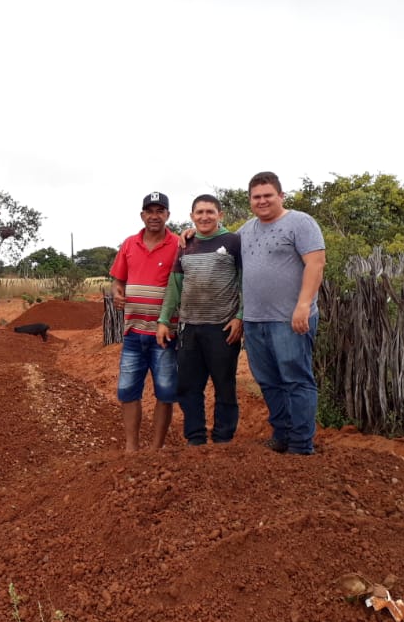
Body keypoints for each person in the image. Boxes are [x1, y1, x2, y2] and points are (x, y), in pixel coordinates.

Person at [237, 171, 326, 455]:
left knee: (296, 379)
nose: (262, 201)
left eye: (268, 195)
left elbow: (315, 264)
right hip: (254, 320)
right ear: (250, 200)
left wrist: (303, 305)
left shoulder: (300, 222)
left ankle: (301, 443)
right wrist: (189, 235)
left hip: (290, 320)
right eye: (256, 197)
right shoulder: (245, 230)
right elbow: (217, 242)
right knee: (268, 381)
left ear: (281, 196)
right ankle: (282, 435)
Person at [156, 194, 243, 445]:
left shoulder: (233, 241)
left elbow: (244, 282)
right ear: (192, 216)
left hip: (222, 328)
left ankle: (223, 438)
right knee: (189, 387)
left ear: (220, 215)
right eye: (200, 212)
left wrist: (240, 316)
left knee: (224, 385)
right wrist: (164, 320)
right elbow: (175, 285)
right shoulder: (185, 245)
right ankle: (195, 439)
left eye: (210, 212)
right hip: (189, 328)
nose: (205, 217)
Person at [110, 191, 182, 451]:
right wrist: (117, 293)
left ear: (167, 215)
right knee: (128, 390)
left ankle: (156, 448)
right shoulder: (129, 244)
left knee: (164, 391)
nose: (154, 216)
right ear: (142, 215)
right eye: (149, 211)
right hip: (132, 331)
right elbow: (118, 281)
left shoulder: (178, 244)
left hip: (164, 334)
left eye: (159, 211)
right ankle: (131, 448)